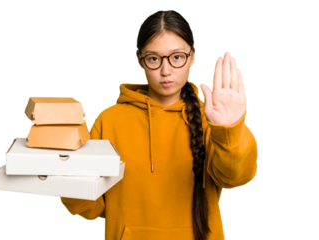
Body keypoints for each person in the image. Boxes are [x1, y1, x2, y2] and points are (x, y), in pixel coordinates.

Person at [60, 7, 258, 240]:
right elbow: (91, 208)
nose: (165, 71)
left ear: (192, 57)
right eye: (154, 58)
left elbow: (235, 178)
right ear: (140, 60)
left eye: (176, 57)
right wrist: (65, 178)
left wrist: (229, 131)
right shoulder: (108, 120)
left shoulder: (211, 119)